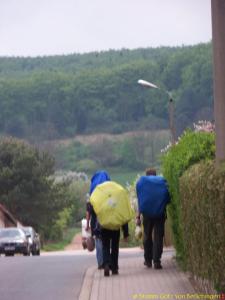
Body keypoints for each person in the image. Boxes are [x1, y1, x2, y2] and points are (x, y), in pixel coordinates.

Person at [136, 168, 170, 269]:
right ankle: (156, 261)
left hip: (147, 214)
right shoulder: (161, 182)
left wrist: (138, 216)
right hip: (160, 214)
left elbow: (140, 201)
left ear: (146, 175)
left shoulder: (142, 183)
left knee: (147, 236)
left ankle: (147, 260)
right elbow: (167, 199)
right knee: (158, 237)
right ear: (155, 175)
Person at [86, 170, 110, 269]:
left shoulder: (92, 193)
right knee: (107, 241)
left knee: (99, 241)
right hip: (107, 220)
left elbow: (88, 212)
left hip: (95, 222)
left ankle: (101, 263)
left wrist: (87, 224)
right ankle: (107, 261)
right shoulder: (109, 191)